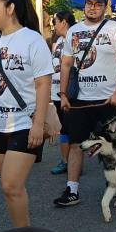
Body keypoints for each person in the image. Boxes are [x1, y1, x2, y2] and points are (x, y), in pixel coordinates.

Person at [54, 0, 116, 207]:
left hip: (107, 100)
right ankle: (72, 190)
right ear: (85, 5)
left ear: (105, 6)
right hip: (80, 99)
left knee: (111, 146)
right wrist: (63, 94)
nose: (93, 7)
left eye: (98, 4)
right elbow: (66, 63)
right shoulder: (73, 31)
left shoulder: (114, 29)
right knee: (76, 144)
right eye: (90, 3)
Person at [0, 0, 52, 227]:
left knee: (10, 185)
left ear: (10, 8)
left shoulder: (33, 39)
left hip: (24, 122)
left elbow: (44, 84)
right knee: (10, 188)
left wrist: (38, 124)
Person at [50, 10, 76, 175]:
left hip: (69, 91)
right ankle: (67, 160)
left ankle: (70, 162)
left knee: (70, 128)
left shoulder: (74, 38)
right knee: (64, 127)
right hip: (56, 91)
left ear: (64, 22)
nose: (54, 26)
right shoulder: (58, 40)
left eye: (56, 22)